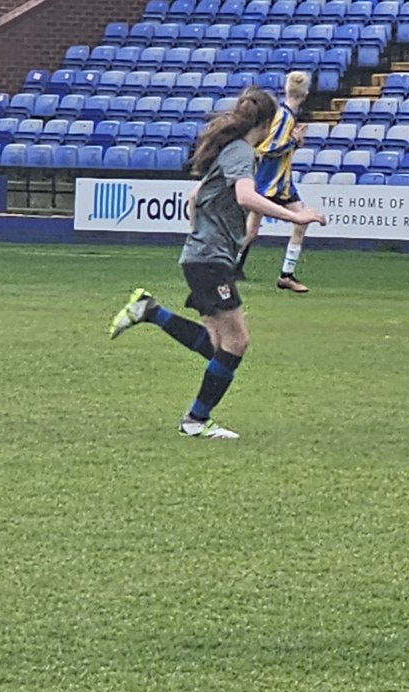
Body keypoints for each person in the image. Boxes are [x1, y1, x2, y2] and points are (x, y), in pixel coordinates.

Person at [107, 86, 327, 439]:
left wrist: (201, 229)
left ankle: (150, 311)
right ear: (269, 125)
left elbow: (194, 198)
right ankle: (195, 420)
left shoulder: (233, 149)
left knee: (217, 346)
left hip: (203, 257)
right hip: (208, 260)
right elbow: (244, 195)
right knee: (236, 343)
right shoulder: (241, 152)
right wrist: (294, 217)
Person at [237, 71, 313, 292]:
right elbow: (266, 148)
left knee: (297, 222)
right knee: (255, 229)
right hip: (270, 180)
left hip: (281, 180)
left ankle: (285, 275)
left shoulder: (285, 114)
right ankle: (229, 267)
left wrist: (294, 143)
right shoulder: (284, 117)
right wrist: (293, 141)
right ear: (305, 93)